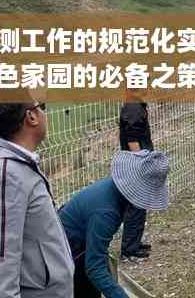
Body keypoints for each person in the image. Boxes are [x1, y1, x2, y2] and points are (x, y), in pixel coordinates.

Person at [0, 94, 74, 298]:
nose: (44, 113)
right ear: (31, 117)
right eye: (42, 107)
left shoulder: (13, 165)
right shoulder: (2, 175)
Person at [59, 149, 169, 298]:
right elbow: (94, 267)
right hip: (68, 251)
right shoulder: (106, 213)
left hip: (79, 243)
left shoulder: (114, 190)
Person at [119, 89, 154, 260]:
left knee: (139, 205)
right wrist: (141, 161)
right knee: (135, 206)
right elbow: (132, 139)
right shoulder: (133, 107)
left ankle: (134, 243)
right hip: (135, 163)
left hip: (137, 160)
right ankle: (129, 249)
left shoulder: (136, 105)